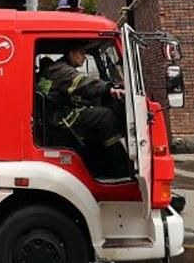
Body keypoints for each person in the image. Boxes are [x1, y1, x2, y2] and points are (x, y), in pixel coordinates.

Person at [37, 43, 129, 178]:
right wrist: (108, 88)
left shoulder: (57, 68)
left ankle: (101, 161)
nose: (85, 57)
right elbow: (82, 83)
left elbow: (71, 91)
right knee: (106, 116)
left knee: (96, 110)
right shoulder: (61, 70)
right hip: (61, 117)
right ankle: (118, 165)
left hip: (55, 114)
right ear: (71, 53)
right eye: (81, 52)